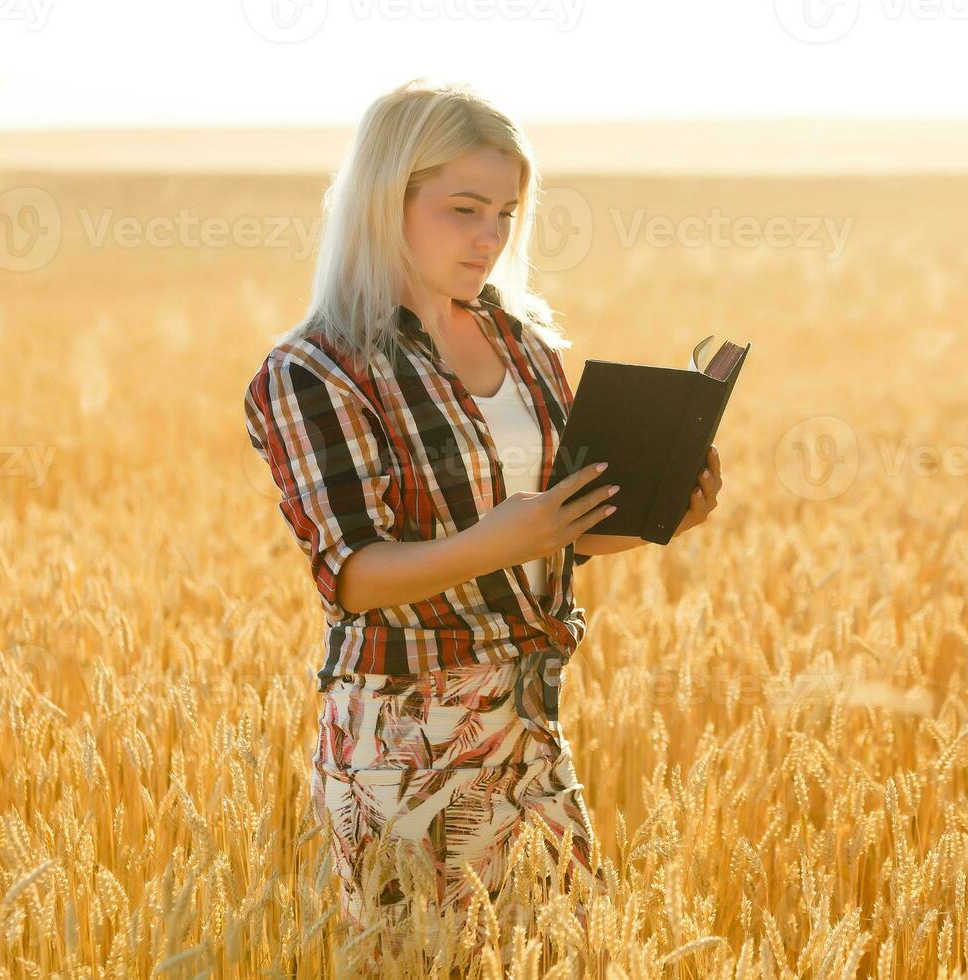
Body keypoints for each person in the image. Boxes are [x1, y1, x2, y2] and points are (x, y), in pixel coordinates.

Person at [243, 78, 723, 973]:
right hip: (403, 737)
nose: (490, 238)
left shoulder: (525, 345)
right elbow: (351, 573)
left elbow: (561, 532)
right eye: (463, 209)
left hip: (528, 720)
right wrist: (503, 539)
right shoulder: (314, 369)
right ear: (388, 201)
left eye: (505, 212)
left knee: (576, 955)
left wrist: (663, 518)